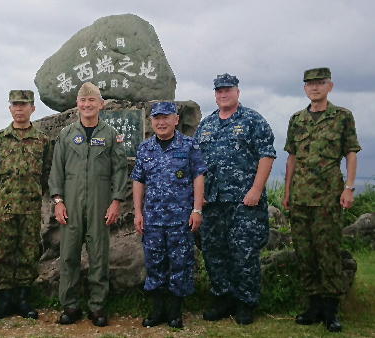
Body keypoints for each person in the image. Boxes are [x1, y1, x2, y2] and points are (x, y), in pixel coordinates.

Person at [282, 67, 361, 332]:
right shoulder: (297, 119)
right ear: (305, 88)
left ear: (330, 86)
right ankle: (312, 306)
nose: (314, 88)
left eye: (320, 83)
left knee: (328, 251)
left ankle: (331, 310)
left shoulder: (342, 117)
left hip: (329, 197)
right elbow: (291, 157)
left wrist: (349, 187)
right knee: (305, 252)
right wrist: (287, 191)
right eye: (310, 84)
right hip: (301, 196)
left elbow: (351, 152)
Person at [194, 73, 276, 325]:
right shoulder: (206, 125)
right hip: (213, 202)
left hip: (244, 201)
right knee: (214, 252)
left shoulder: (252, 120)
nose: (223, 94)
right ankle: (223, 297)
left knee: (245, 253)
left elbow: (267, 155)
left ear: (237, 92)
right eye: (219, 91)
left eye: (227, 90)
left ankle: (246, 302)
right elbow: (196, 163)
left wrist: (256, 189)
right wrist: (200, 196)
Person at [48, 82, 127, 327]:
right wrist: (58, 201)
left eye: (92, 100)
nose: (87, 105)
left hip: (100, 205)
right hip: (70, 204)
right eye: (83, 101)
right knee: (69, 256)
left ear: (101, 104)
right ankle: (70, 306)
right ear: (77, 105)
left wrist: (116, 202)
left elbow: (120, 171)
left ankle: (98, 307)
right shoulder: (67, 134)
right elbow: (56, 170)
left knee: (99, 256)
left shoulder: (111, 134)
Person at [131, 101, 206, 329]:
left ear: (176, 120)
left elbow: (198, 176)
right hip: (153, 219)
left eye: (166, 117)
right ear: (151, 122)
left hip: (180, 219)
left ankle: (175, 312)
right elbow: (138, 180)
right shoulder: (145, 148)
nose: (161, 122)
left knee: (180, 264)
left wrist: (196, 209)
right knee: (155, 264)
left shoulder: (189, 146)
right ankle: (157, 310)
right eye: (157, 118)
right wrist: (137, 212)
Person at [0, 90, 52, 320]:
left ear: (33, 108)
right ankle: (4, 299)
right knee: (3, 252)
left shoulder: (43, 140)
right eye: (15, 105)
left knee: (28, 251)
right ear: (10, 108)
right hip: (5, 206)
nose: (19, 109)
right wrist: (5, 194)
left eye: (24, 105)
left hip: (31, 207)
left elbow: (46, 173)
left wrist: (34, 193)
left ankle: (23, 298)